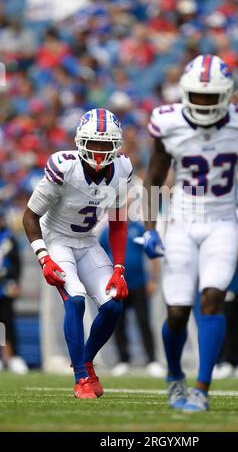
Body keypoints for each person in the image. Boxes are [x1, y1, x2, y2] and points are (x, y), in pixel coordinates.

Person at [143, 54, 238, 412]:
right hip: (182, 221)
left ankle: (201, 388)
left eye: (209, 96)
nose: (202, 103)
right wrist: (151, 228)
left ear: (227, 95)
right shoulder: (168, 123)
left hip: (222, 220)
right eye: (196, 96)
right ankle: (174, 376)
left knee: (213, 297)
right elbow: (154, 179)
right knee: (177, 312)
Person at [23, 108, 132, 399]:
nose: (98, 151)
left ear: (116, 144)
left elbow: (119, 221)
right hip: (57, 239)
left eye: (105, 144)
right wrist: (44, 256)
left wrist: (119, 267)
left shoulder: (122, 169)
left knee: (112, 305)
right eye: (93, 143)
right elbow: (30, 217)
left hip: (87, 240)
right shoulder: (64, 167)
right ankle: (81, 377)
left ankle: (85, 360)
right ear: (80, 141)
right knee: (76, 300)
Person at [100, 218, 164, 377]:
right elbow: (97, 254)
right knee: (118, 323)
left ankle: (152, 360)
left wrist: (154, 279)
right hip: (116, 285)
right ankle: (123, 360)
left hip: (138, 284)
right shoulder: (106, 230)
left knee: (143, 322)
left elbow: (151, 253)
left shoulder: (138, 228)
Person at [0, 209, 28, 374]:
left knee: (7, 321)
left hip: (5, 286)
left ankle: (13, 357)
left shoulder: (9, 238)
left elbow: (17, 263)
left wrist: (16, 282)